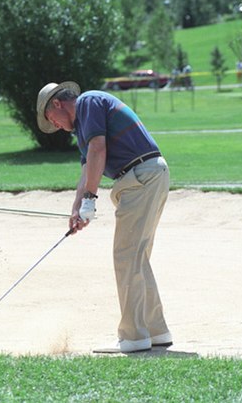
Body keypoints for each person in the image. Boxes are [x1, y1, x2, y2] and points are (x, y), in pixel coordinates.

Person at [36, 81, 172, 353]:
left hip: (140, 177)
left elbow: (99, 149)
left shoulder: (88, 102)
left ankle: (133, 336)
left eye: (53, 120)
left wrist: (91, 198)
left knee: (126, 255)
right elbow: (88, 167)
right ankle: (156, 331)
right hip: (147, 176)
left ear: (57, 104)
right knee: (136, 257)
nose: (58, 127)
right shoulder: (84, 124)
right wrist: (77, 208)